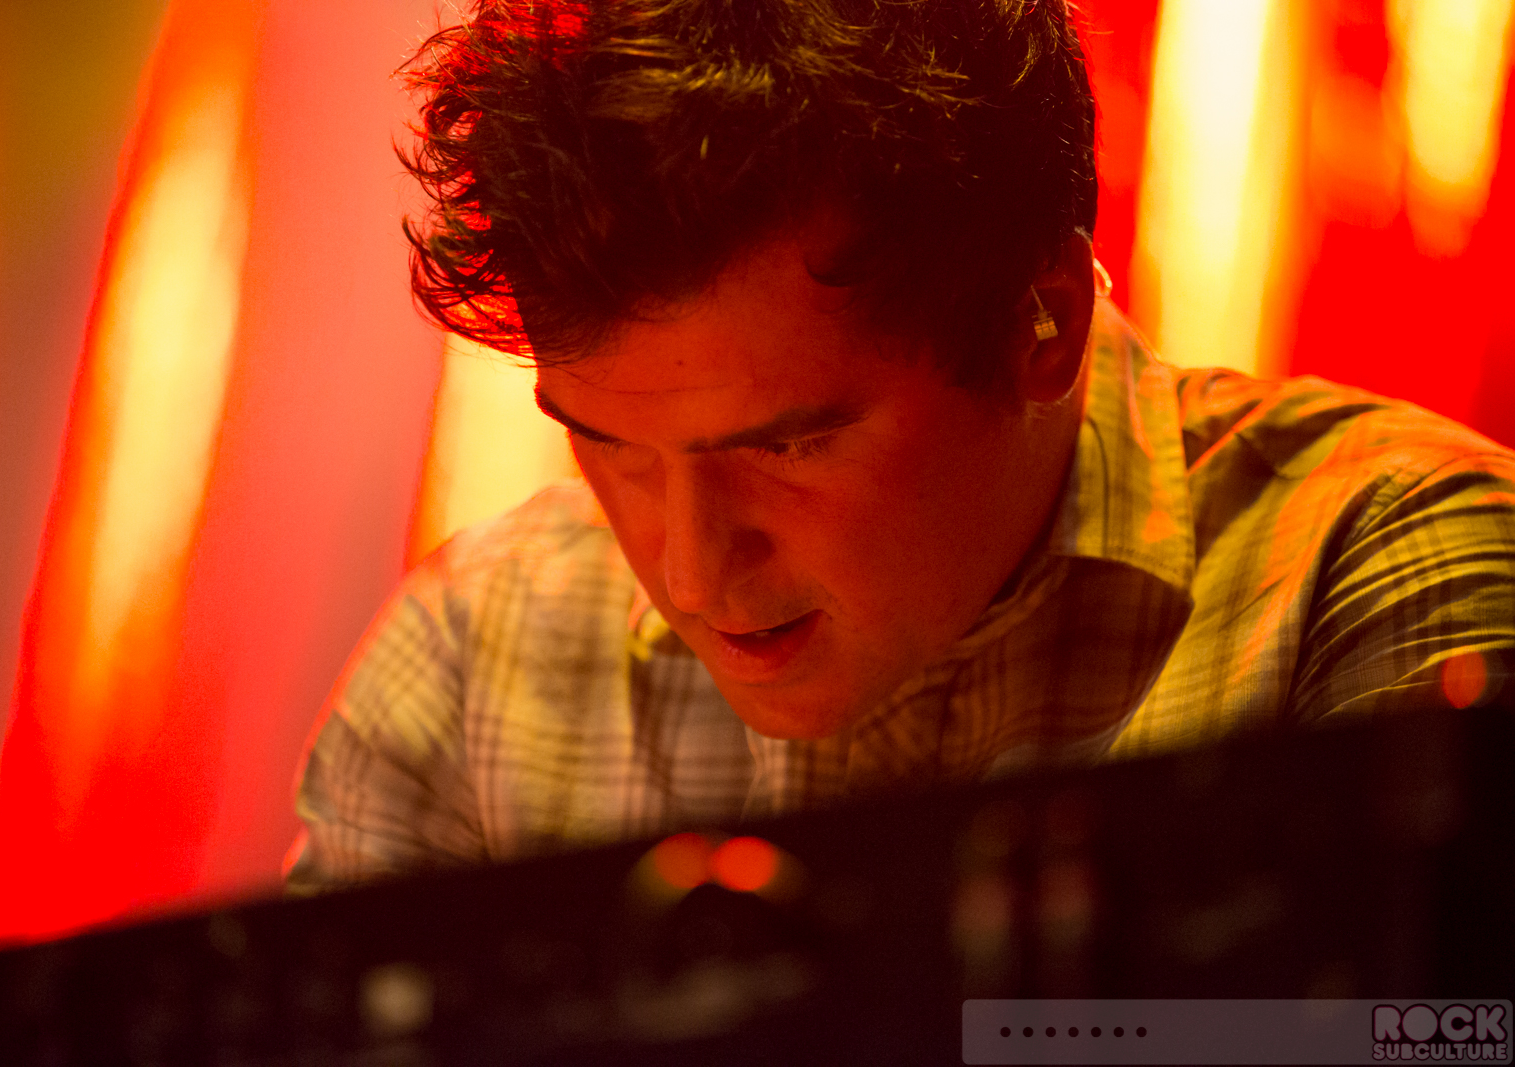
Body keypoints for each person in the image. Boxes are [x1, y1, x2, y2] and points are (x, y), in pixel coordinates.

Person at [284, 0, 1515, 890]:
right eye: (612, 448)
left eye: (790, 448)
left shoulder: (1385, 568)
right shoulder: (471, 652)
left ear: (1041, 325)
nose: (693, 571)